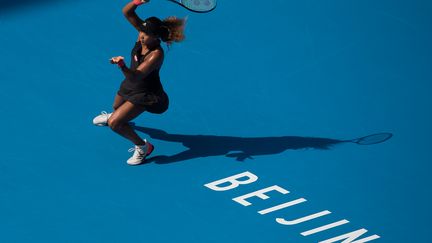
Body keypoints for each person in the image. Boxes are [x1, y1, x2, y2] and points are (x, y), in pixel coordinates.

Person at [92, 0, 186, 165]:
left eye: (146, 34)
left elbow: (135, 76)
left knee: (115, 123)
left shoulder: (155, 54)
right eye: (141, 31)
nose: (141, 36)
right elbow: (127, 12)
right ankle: (119, 117)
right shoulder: (143, 35)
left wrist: (121, 65)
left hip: (146, 93)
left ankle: (143, 147)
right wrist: (138, 1)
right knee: (116, 109)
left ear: (156, 37)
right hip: (132, 84)